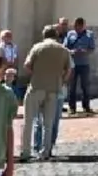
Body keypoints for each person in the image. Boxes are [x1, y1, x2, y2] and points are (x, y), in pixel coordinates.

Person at [20, 26, 70, 162]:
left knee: (28, 121)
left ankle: (25, 151)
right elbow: (68, 70)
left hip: (37, 86)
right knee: (49, 122)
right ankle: (46, 151)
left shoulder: (37, 47)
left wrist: (37, 74)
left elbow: (27, 65)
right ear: (56, 36)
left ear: (44, 35)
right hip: (54, 87)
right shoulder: (63, 50)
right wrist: (60, 80)